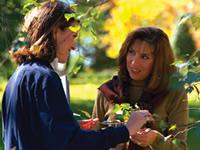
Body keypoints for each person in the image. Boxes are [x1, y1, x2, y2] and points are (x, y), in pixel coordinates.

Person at [1, 1, 153, 150]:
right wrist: (127, 130)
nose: (74, 47)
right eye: (73, 36)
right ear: (55, 31)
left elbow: (36, 135)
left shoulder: (16, 78)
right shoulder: (45, 78)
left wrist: (70, 127)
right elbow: (72, 144)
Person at [92, 27, 188, 150]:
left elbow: (181, 147)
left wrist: (155, 140)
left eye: (144, 57)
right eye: (131, 52)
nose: (133, 63)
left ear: (159, 62)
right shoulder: (108, 92)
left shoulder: (174, 93)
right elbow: (92, 143)